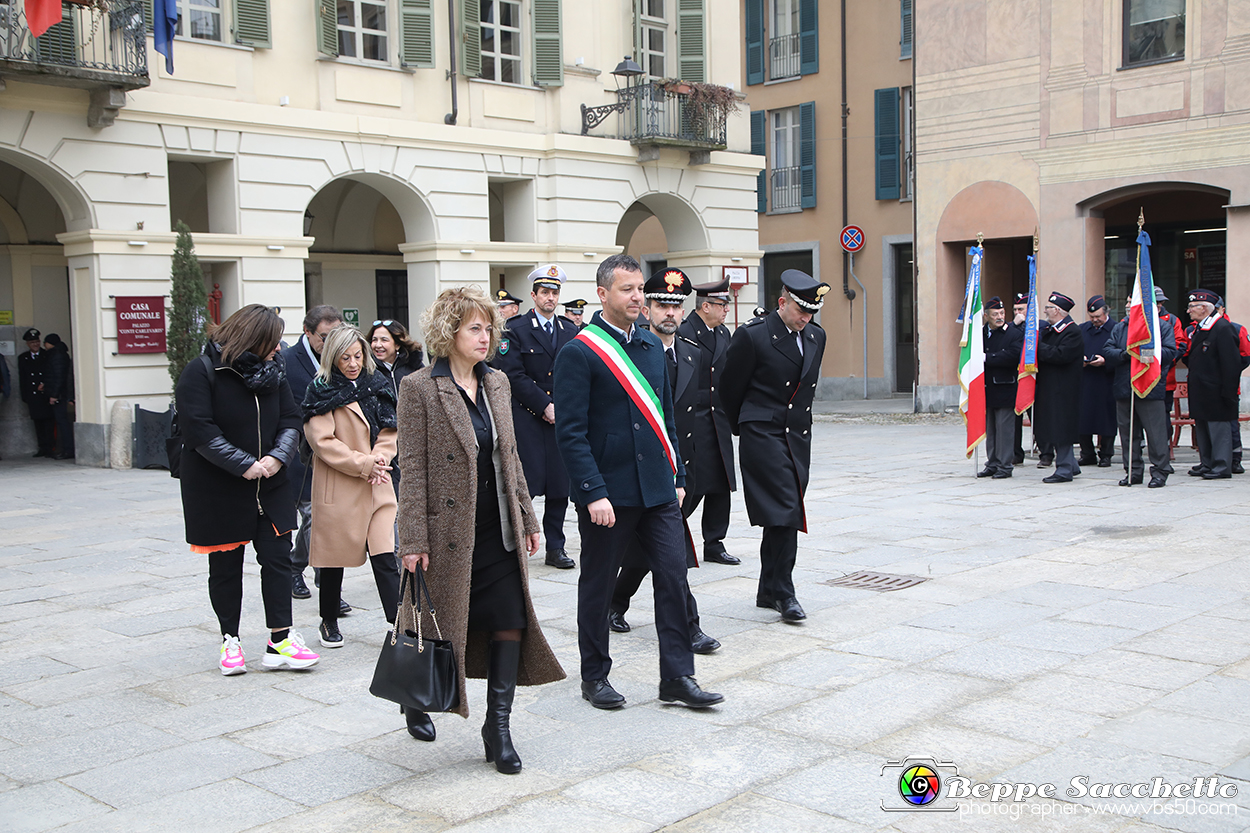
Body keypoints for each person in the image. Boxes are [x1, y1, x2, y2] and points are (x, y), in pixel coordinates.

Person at [397, 285, 564, 771]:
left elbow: (508, 457)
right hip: (447, 529)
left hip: (499, 528)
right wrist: (412, 539)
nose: (485, 335)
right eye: (475, 327)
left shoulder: (498, 383)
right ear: (449, 332)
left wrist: (528, 517)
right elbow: (413, 468)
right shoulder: (420, 388)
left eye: (488, 327)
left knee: (510, 621)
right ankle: (415, 696)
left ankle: (499, 726)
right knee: (439, 625)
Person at [553, 253, 723, 711]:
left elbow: (665, 418)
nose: (636, 298)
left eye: (638, 290)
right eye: (626, 290)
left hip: (658, 490)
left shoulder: (650, 347)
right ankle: (595, 676)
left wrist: (680, 475)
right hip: (608, 495)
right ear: (603, 294)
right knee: (599, 584)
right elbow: (570, 433)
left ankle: (678, 676)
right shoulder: (579, 351)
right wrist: (592, 492)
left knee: (672, 577)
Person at [174, 304, 319, 675]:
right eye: (272, 341)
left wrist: (275, 458)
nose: (278, 348)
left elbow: (291, 418)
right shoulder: (201, 371)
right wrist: (244, 465)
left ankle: (280, 640)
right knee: (225, 566)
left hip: (270, 486)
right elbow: (199, 430)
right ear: (253, 339)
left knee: (277, 559)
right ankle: (230, 641)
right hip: (217, 488)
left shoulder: (275, 372)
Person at [609, 269, 720, 654]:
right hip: (637, 471)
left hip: (678, 472)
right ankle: (688, 626)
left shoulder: (692, 352)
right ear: (647, 308)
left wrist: (694, 471)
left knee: (653, 552)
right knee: (674, 554)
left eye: (676, 305)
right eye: (660, 305)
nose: (669, 313)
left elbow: (698, 417)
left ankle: (614, 602)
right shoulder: (628, 354)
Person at [720, 270, 828, 623]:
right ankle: (785, 592)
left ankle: (768, 589)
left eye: (812, 311)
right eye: (801, 310)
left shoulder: (816, 336)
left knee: (781, 515)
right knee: (786, 509)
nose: (806, 317)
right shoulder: (754, 337)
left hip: (797, 436)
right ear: (782, 302)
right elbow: (729, 388)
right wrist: (746, 426)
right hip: (763, 432)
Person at [302, 326, 402, 648]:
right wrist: (364, 465)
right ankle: (328, 620)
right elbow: (322, 442)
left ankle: (398, 622)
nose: (353, 363)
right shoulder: (321, 390)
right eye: (345, 357)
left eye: (358, 355)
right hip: (341, 483)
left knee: (385, 553)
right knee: (334, 558)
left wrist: (379, 458)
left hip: (377, 483)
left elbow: (390, 429)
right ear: (333, 357)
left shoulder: (377, 384)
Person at [492, 265, 580, 569]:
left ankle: (556, 546)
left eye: (555, 292)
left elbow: (576, 373)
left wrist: (564, 407)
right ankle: (517, 544)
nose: (550, 297)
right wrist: (544, 405)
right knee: (522, 483)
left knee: (559, 485)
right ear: (533, 295)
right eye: (545, 292)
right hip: (528, 416)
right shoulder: (514, 329)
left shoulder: (571, 330)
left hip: (562, 416)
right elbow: (512, 375)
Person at [280, 305, 351, 613]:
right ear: (307, 333)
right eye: (325, 336)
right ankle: (311, 577)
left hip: (331, 454)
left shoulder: (343, 360)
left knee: (319, 519)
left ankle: (310, 573)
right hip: (297, 455)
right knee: (311, 520)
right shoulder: (286, 362)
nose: (331, 341)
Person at [677, 277, 740, 566]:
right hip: (694, 419)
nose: (726, 309)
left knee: (721, 482)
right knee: (694, 483)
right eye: (722, 304)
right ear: (705, 306)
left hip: (718, 420)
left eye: (726, 304)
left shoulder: (723, 333)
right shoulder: (684, 331)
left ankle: (714, 542)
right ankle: (674, 533)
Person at [1098, 299, 1177, 488]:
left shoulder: (1161, 327)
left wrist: (1146, 353)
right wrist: (1125, 354)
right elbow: (1108, 350)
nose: (1128, 304)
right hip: (1125, 387)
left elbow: (1170, 352)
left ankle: (1159, 472)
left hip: (1150, 387)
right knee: (1128, 434)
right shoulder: (1121, 327)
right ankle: (1132, 471)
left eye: (1132, 301)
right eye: (1127, 301)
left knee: (1155, 434)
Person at [1183, 289, 1241, 479]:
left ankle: (1221, 465)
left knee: (1218, 431)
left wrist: (1229, 392)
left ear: (1205, 308)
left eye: (1192, 307)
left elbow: (1231, 364)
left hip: (1216, 391)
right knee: (1203, 429)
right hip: (1202, 390)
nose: (1188, 311)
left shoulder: (1223, 328)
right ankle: (1207, 462)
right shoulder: (1201, 328)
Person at [1035, 292, 1084, 483]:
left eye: (1048, 308)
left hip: (1064, 389)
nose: (1045, 311)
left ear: (1057, 311)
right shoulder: (1050, 330)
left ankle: (1064, 468)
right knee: (1052, 425)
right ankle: (1071, 464)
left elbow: (1061, 355)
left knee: (1061, 427)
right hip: (1050, 386)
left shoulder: (1072, 331)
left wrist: (1038, 347)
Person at [979, 297, 1023, 479]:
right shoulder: (980, 334)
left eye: (1002, 313)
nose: (999, 317)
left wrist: (988, 358)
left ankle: (1005, 465)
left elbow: (1013, 355)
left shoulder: (1012, 333)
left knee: (1004, 430)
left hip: (1005, 387)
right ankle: (992, 462)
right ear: (986, 316)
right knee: (991, 429)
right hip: (987, 388)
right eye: (995, 314)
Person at [1077, 296, 1117, 467]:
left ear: (1106, 313)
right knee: (1083, 418)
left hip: (1107, 380)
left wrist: (1106, 361)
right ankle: (1087, 453)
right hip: (1086, 379)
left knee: (1107, 419)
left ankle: (1106, 454)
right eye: (1092, 317)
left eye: (1098, 317)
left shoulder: (1116, 328)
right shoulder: (1082, 329)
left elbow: (1121, 353)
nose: (1095, 320)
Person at [18, 328, 55, 458]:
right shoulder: (23, 358)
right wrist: (25, 396)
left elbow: (51, 373)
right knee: (38, 424)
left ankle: (50, 447)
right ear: (28, 344)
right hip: (32, 395)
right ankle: (42, 447)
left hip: (45, 395)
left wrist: (46, 385)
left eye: (37, 341)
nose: (35, 344)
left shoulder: (47, 355)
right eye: (32, 342)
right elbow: (23, 378)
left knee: (48, 423)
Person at [41, 333, 75, 460]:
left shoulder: (57, 355)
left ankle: (68, 450)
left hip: (59, 396)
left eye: (45, 342)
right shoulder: (58, 354)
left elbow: (59, 377)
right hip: (59, 394)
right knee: (61, 423)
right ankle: (66, 449)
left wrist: (54, 395)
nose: (44, 345)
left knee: (62, 423)